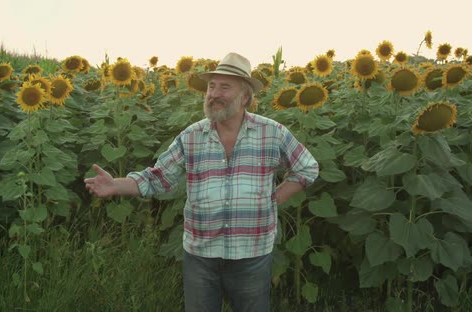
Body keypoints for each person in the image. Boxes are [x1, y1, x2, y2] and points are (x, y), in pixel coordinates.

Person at [84, 52, 319, 312]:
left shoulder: (272, 133)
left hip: (251, 252)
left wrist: (273, 199)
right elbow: (159, 178)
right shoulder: (192, 136)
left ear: (245, 97)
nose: (213, 93)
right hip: (201, 255)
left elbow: (306, 168)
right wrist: (115, 184)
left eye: (224, 87)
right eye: (211, 86)